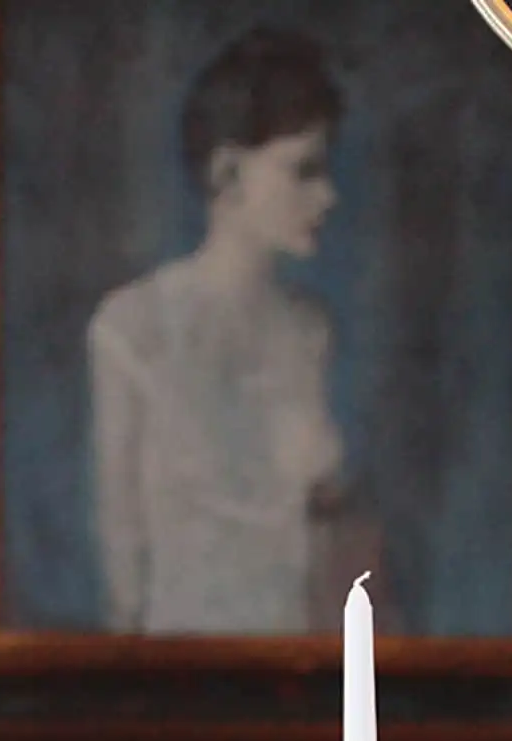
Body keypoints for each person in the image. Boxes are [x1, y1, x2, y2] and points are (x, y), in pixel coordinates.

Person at [88, 29, 346, 634]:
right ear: (227, 172)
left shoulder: (310, 333)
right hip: (177, 684)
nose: (328, 195)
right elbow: (123, 562)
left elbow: (324, 548)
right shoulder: (133, 329)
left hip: (298, 678)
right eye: (303, 170)